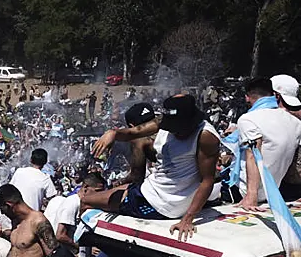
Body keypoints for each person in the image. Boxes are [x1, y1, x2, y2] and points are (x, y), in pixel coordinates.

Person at [89, 94, 222, 241]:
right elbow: (135, 132)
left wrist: (188, 218)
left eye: (178, 128)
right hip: (153, 187)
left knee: (86, 200)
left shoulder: (205, 136)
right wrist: (113, 133)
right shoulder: (164, 122)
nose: (175, 132)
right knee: (112, 193)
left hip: (163, 203)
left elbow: (207, 180)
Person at [231, 77, 301, 210]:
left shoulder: (248, 119)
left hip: (243, 192)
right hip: (273, 191)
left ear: (247, 97)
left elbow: (253, 155)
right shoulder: (296, 123)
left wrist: (252, 197)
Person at [43, 173, 106, 249]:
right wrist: (76, 246)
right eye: (97, 191)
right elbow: (60, 235)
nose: (100, 194)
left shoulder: (83, 204)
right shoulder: (73, 202)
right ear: (86, 187)